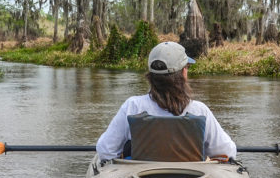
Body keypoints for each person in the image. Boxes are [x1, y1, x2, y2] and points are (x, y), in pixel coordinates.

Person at [95, 41, 237, 161]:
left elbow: (105, 151)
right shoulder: (199, 110)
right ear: (183, 74)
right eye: (186, 67)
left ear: (151, 75)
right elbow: (227, 152)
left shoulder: (133, 106)